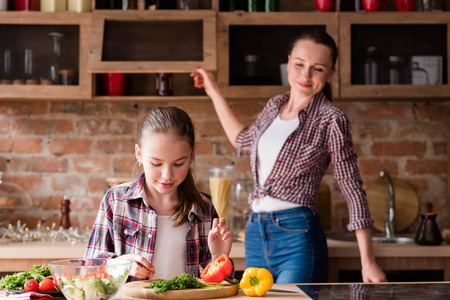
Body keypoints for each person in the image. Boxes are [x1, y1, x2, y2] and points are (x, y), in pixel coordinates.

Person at [191, 29, 387, 284]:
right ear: (288, 62)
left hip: (298, 235)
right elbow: (242, 140)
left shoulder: (332, 119)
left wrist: (368, 262)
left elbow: (352, 189)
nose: (305, 75)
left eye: (317, 68)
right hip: (255, 234)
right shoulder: (274, 106)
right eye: (299, 64)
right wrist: (213, 90)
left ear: (331, 74)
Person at [84, 106, 232, 280]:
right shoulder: (116, 200)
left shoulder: (203, 208)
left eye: (178, 164)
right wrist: (119, 265)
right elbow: (89, 267)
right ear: (139, 154)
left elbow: (215, 285)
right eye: (156, 163)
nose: (167, 175)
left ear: (192, 155)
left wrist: (219, 257)